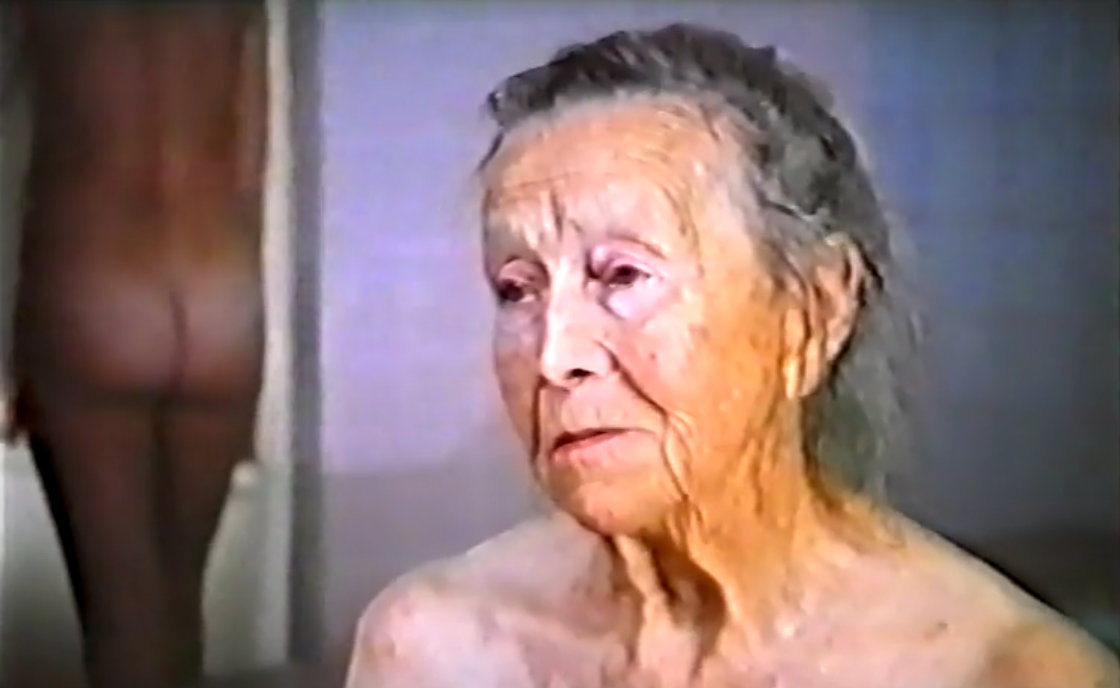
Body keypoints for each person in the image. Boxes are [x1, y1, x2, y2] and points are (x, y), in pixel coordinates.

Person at [344, 23, 1119, 688]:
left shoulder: (1002, 672)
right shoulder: (436, 647)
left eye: (622, 276)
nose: (554, 356)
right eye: (517, 289)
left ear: (813, 310)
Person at [3, 2, 267, 687]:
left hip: (94, 276)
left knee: (124, 618)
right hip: (220, 293)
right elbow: (249, 164)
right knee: (179, 609)